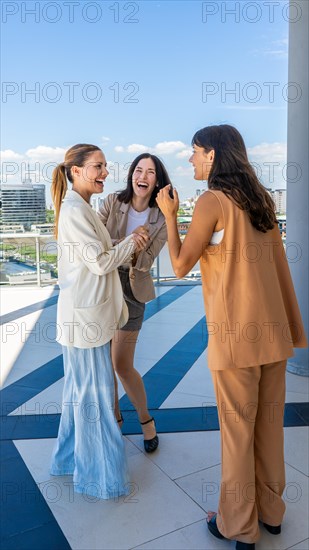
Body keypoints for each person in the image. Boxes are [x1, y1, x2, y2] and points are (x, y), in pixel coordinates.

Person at [156, 125, 307, 550]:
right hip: (273, 333)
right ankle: (271, 513)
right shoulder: (260, 199)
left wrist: (170, 216)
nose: (190, 161)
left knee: (237, 432)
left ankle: (238, 527)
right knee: (268, 427)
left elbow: (182, 265)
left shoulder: (211, 201)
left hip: (237, 337)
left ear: (214, 155)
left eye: (196, 153)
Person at [49, 144, 148, 499]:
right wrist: (133, 241)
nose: (105, 172)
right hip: (86, 321)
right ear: (75, 171)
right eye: (98, 166)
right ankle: (100, 478)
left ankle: (73, 462)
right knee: (96, 400)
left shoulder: (79, 207)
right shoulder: (77, 210)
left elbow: (97, 252)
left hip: (83, 318)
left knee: (81, 395)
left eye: (105, 166)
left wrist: (122, 242)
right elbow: (100, 263)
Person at [98, 153, 172, 452]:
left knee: (121, 364)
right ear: (132, 175)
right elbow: (97, 242)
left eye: (150, 172)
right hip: (102, 286)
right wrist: (127, 241)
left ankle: (146, 421)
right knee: (104, 365)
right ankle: (115, 423)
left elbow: (146, 260)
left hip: (132, 289)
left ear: (157, 180)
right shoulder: (113, 202)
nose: (143, 176)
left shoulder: (162, 218)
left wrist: (130, 247)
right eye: (138, 170)